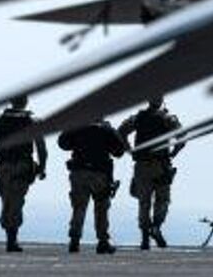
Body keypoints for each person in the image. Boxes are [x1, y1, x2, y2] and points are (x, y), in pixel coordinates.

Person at [117, 96, 184, 250]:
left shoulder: (137, 118)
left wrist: (130, 150)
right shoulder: (167, 118)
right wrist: (174, 152)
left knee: (144, 202)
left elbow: (121, 132)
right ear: (160, 101)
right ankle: (156, 227)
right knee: (162, 200)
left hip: (141, 166)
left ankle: (145, 238)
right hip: (161, 166)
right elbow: (182, 137)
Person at [0, 96, 47, 252]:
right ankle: (11, 239)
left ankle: (10, 237)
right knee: (16, 201)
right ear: (25, 102)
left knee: (7, 200)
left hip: (5, 166)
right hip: (23, 166)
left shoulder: (0, 121)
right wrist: (42, 168)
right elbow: (41, 148)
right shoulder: (32, 121)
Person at [58, 120, 127, 254]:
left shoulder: (77, 127)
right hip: (100, 174)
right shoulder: (106, 130)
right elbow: (119, 152)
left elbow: (63, 143)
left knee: (79, 207)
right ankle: (103, 242)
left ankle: (74, 240)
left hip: (79, 173)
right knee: (101, 208)